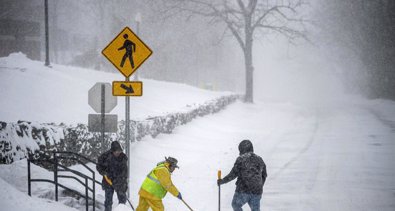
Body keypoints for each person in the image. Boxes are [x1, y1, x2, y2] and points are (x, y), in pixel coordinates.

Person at [217, 140, 267, 211]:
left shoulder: (241, 159)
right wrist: (260, 185)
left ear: (242, 149)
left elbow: (233, 174)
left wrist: (222, 181)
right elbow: (264, 174)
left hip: (243, 190)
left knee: (235, 205)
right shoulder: (259, 159)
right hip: (257, 191)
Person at [96, 141, 128, 211]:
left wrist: (121, 182)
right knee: (108, 201)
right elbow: (99, 166)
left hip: (120, 182)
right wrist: (103, 172)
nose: (118, 153)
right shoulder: (105, 157)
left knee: (122, 201)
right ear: (112, 151)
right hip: (108, 181)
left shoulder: (123, 158)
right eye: (116, 151)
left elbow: (124, 172)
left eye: (119, 151)